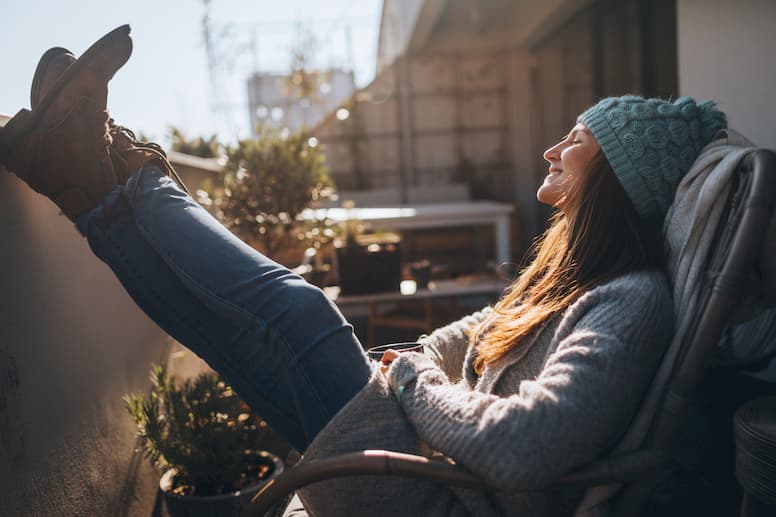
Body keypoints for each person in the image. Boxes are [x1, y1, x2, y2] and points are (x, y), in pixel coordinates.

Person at [0, 27, 727, 516]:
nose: (551, 150)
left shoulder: (633, 302)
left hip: (436, 496)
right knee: (230, 337)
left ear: (617, 177)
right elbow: (474, 330)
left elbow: (523, 445)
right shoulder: (575, 283)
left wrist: (411, 380)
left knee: (306, 312)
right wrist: (414, 360)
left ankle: (122, 164)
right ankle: (84, 187)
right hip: (424, 464)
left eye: (576, 139)